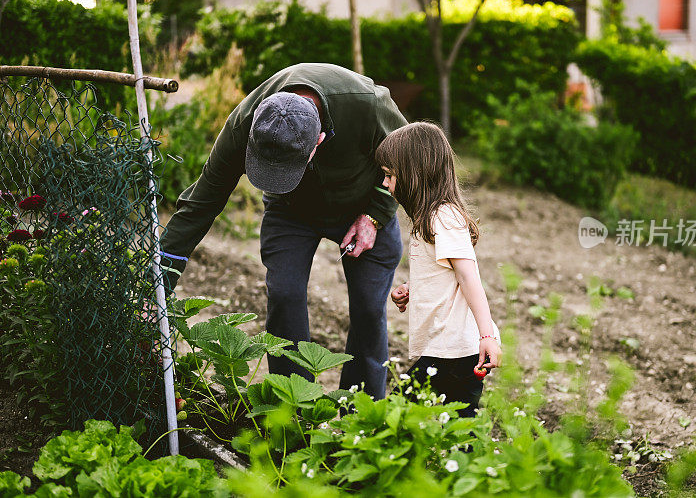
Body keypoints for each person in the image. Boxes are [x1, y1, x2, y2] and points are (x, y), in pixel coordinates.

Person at [159, 63, 407, 398]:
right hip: (291, 210)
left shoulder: (367, 105)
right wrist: (155, 288)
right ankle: (293, 405)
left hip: (363, 206)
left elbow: (412, 162)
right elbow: (200, 204)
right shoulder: (246, 121)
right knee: (285, 294)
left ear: (318, 141)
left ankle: (360, 416)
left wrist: (375, 214)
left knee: (367, 308)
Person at [376, 121, 501, 417]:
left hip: (453, 349)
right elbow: (443, 273)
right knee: (460, 422)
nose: (385, 184)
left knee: (396, 414)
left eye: (389, 176)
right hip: (447, 346)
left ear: (414, 175)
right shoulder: (429, 219)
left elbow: (468, 276)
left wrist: (487, 335)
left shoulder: (443, 217)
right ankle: (465, 461)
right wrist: (413, 289)